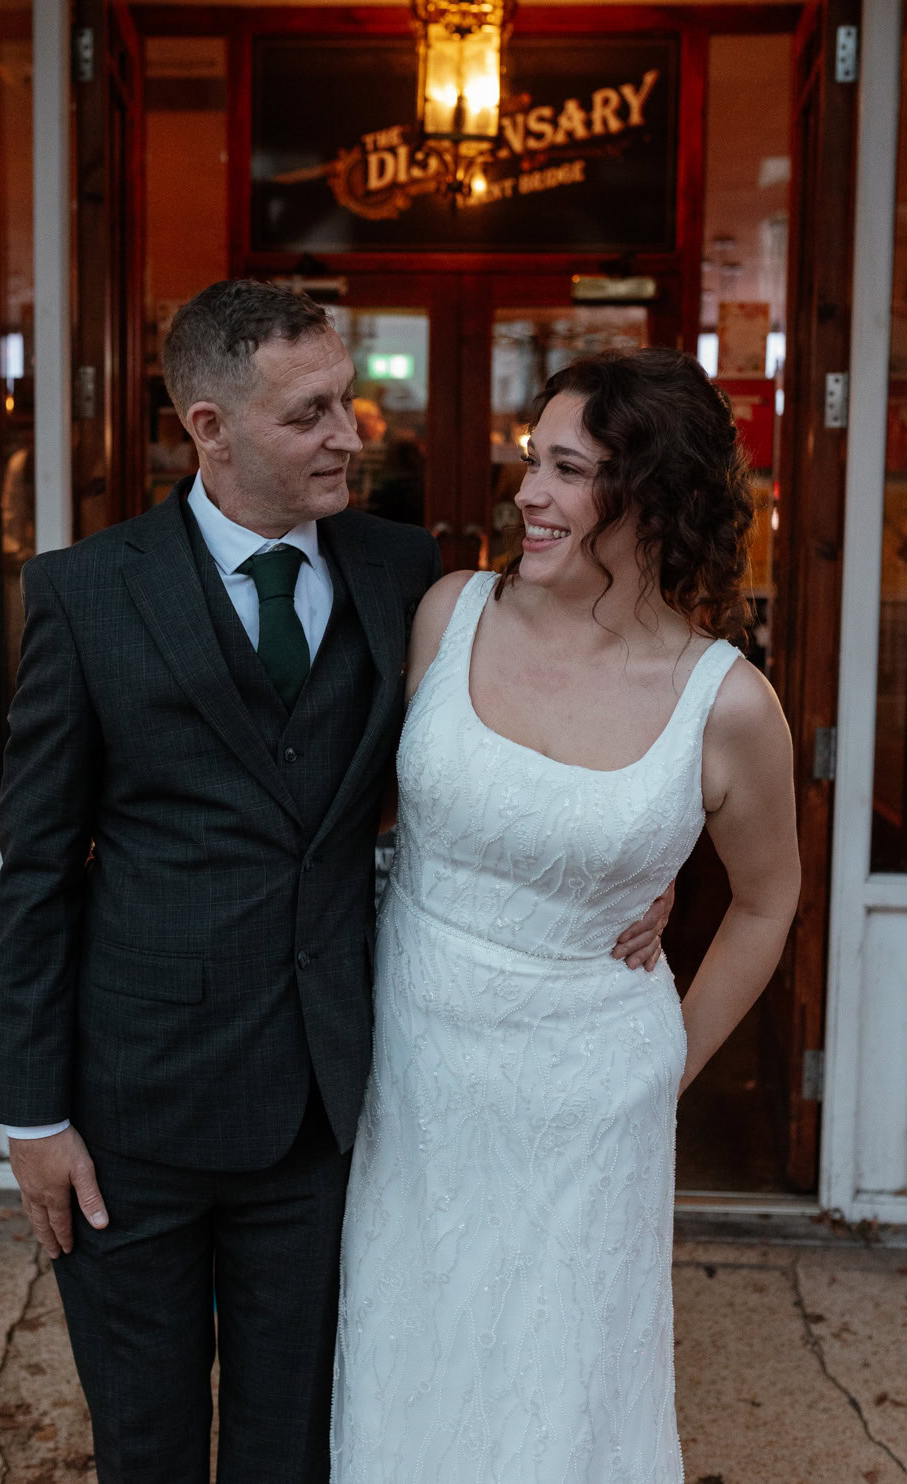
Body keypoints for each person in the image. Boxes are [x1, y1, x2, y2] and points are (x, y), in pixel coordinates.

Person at [0, 278, 669, 1483]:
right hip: (130, 1112)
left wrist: (630, 857)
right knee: (142, 1441)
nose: (350, 436)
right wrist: (32, 1116)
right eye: (308, 415)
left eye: (345, 403)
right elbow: (38, 872)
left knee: (293, 1442)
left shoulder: (403, 570)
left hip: (328, 1105)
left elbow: (568, 688)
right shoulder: (87, 594)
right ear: (208, 426)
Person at [332, 347, 801, 1482]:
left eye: (568, 471)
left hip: (590, 1106)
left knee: (565, 1390)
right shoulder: (449, 613)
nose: (526, 493)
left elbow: (767, 898)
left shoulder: (726, 704)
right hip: (418, 1072)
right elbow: (368, 813)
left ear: (654, 496)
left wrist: (664, 1064)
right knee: (408, 1364)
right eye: (530, 461)